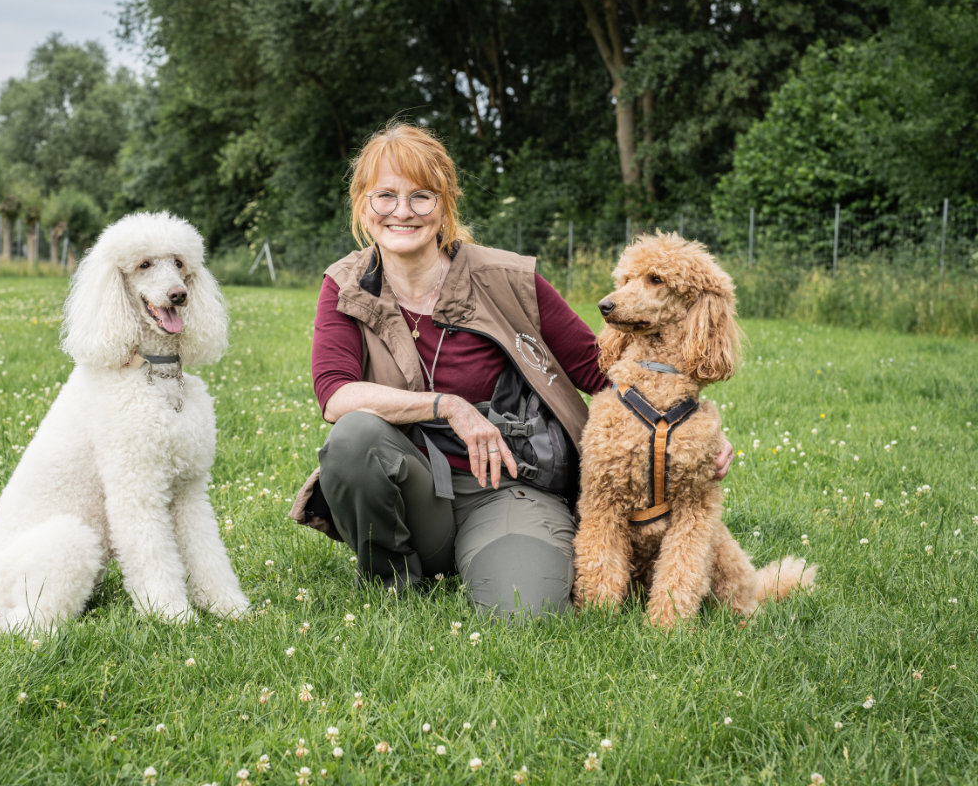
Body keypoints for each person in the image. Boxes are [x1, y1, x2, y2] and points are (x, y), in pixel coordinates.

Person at [288, 122, 729, 617]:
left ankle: (494, 559)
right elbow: (335, 395)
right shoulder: (346, 286)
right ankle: (392, 581)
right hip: (412, 494)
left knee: (526, 610)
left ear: (445, 204)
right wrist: (446, 406)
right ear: (362, 204)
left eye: (422, 196)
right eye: (385, 196)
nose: (403, 212)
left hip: (510, 486)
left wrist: (680, 427)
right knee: (354, 437)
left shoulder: (509, 279)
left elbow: (598, 367)